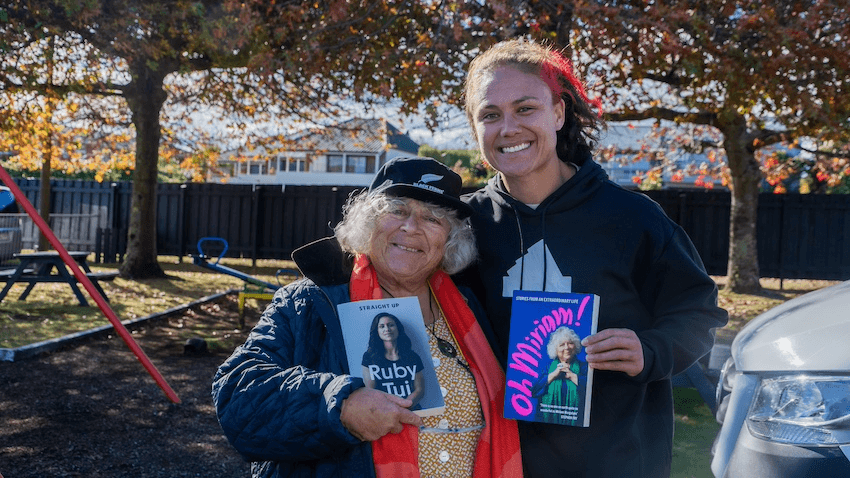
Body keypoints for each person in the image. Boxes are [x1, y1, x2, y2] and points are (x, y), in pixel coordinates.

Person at [459, 39, 729, 477]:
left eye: (525, 108)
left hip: (619, 459)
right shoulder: (461, 226)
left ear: (559, 113)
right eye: (490, 114)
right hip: (499, 462)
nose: (508, 127)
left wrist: (651, 349)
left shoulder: (633, 218)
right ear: (475, 129)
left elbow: (699, 313)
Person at [212, 156, 522, 478]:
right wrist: (340, 406)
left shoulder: (470, 306)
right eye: (397, 210)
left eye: (432, 218)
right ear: (368, 221)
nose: (411, 226)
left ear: (449, 239)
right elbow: (237, 393)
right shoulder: (311, 301)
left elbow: (530, 372)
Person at [361, 312, 425, 410]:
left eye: (391, 325)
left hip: (412, 410)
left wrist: (405, 406)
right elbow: (370, 391)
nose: (387, 329)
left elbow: (419, 390)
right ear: (377, 331)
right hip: (384, 412)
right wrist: (391, 409)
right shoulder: (369, 357)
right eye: (382, 326)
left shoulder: (413, 356)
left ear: (398, 328)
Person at [531, 326, 587, 426]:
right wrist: (553, 374)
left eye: (570, 343)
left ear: (575, 345)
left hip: (575, 425)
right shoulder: (547, 368)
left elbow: (590, 392)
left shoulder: (584, 367)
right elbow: (534, 391)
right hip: (546, 425)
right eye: (562, 345)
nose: (567, 347)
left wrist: (572, 376)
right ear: (555, 349)